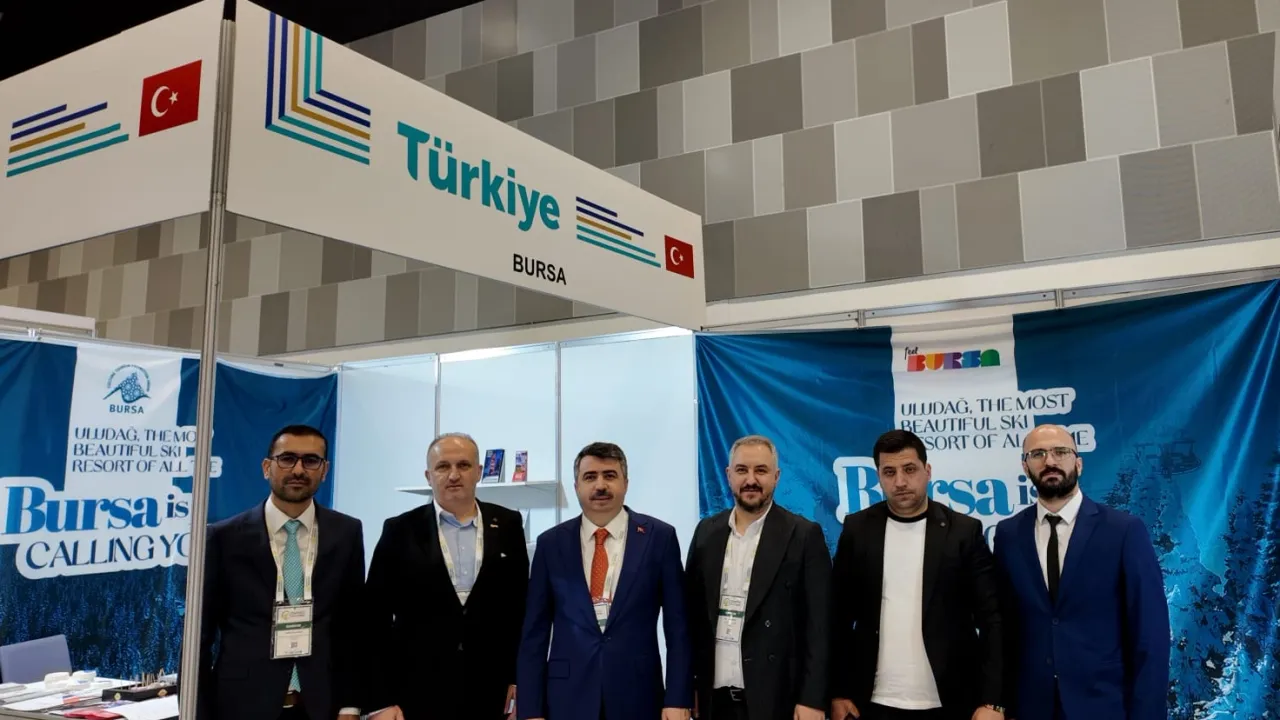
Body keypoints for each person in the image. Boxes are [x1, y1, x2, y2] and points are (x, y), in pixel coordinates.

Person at [992, 424, 1169, 720]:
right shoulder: (1008, 534)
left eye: (1060, 452)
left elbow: (1150, 635)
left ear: (1078, 463)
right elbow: (1005, 626)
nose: (1050, 461)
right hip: (1030, 707)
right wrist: (999, 702)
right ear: (1025, 466)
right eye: (1038, 454)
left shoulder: (1123, 531)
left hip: (1104, 706)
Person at [829, 429, 1005, 720]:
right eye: (889, 472)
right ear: (878, 477)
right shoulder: (857, 529)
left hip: (952, 700)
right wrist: (838, 691)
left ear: (928, 471)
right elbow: (837, 617)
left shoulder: (963, 532)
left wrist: (993, 701)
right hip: (872, 702)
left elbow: (992, 620)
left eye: (909, 469)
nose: (900, 482)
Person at [198, 424, 366, 720]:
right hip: (242, 705)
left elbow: (353, 626)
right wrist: (197, 711)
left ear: (324, 470)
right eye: (287, 458)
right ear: (267, 467)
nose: (298, 469)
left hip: (321, 704)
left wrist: (350, 704)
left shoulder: (346, 532)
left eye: (311, 460)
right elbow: (200, 635)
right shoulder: (224, 538)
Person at [516, 441, 693, 720]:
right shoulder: (551, 544)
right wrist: (530, 710)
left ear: (626, 483)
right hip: (566, 696)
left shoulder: (659, 538)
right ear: (576, 486)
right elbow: (534, 633)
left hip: (638, 694)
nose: (600, 485)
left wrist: (678, 698)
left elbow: (678, 627)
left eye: (610, 475)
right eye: (590, 477)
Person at [364, 432, 530, 720]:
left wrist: (519, 679)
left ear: (479, 471)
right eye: (443, 466)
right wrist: (380, 700)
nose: (454, 475)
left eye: (463, 465)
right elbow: (373, 618)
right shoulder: (400, 530)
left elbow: (520, 608)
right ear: (428, 476)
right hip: (416, 690)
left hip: (491, 689)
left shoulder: (508, 523)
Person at [684, 435, 830, 720]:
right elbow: (690, 618)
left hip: (777, 700)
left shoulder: (803, 535)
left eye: (761, 470)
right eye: (742, 470)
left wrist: (812, 699)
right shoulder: (706, 533)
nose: (751, 480)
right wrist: (687, 686)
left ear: (776, 476)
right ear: (729, 475)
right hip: (714, 701)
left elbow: (820, 627)